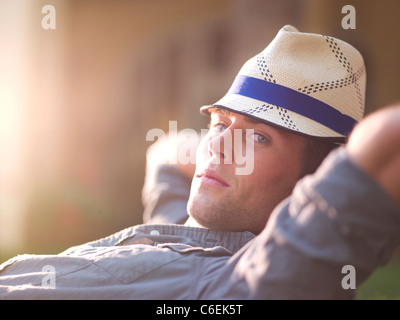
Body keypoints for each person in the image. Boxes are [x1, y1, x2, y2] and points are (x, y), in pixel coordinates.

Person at [1, 25, 396, 300]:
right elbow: (166, 155)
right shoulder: (176, 225)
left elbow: (381, 149)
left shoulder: (236, 284)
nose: (221, 146)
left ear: (310, 184)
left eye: (260, 137)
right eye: (220, 123)